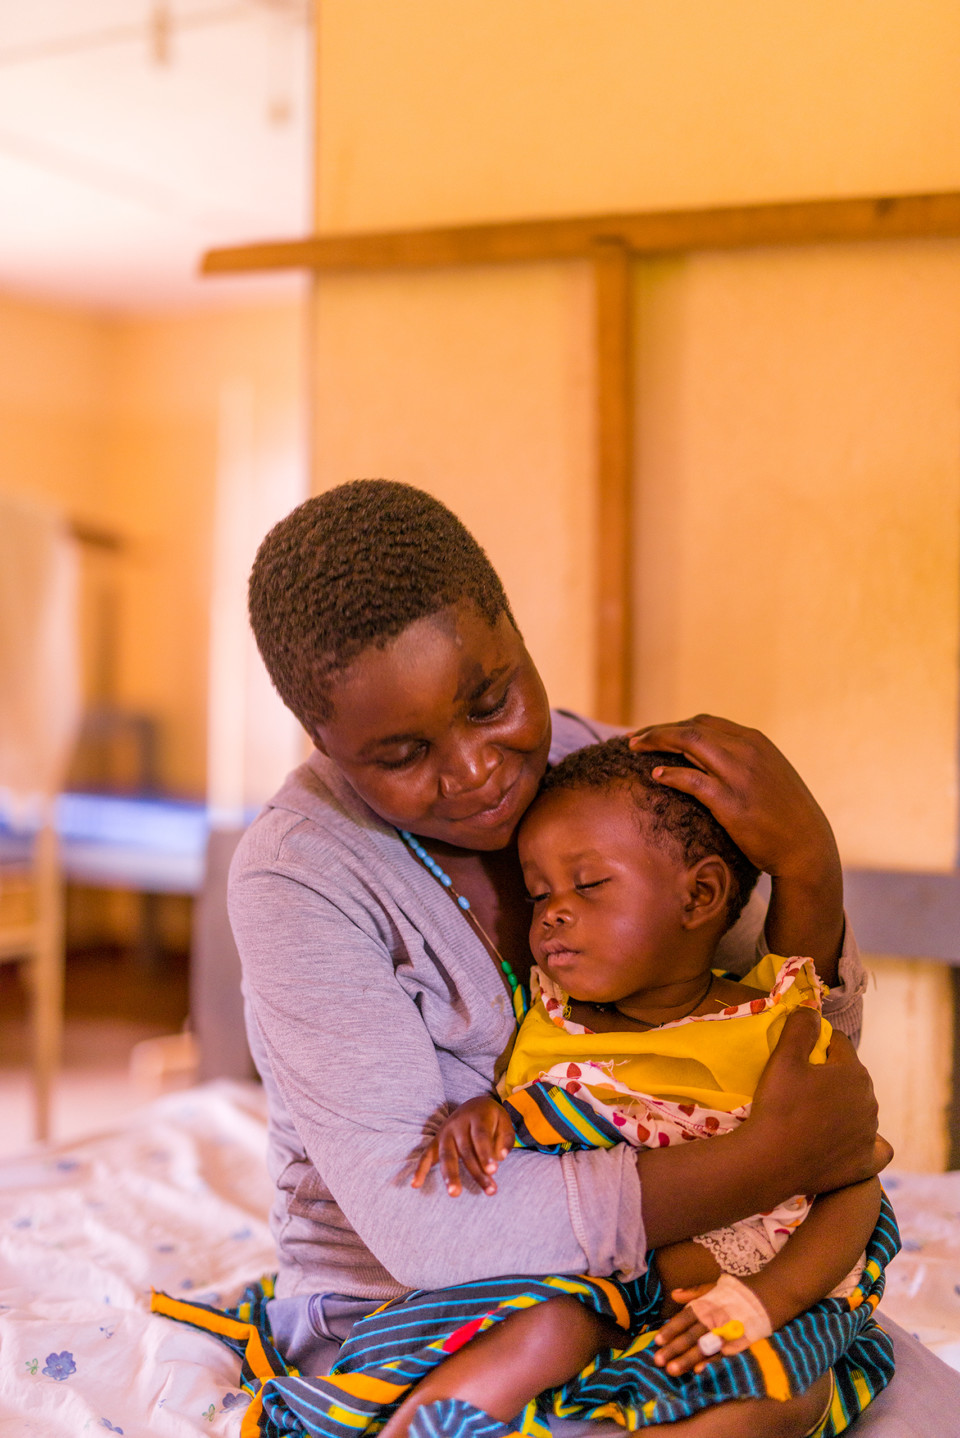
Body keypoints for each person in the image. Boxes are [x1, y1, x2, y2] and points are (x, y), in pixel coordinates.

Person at [152, 480, 957, 1436]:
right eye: (403, 754)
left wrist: (807, 864)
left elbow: (795, 1060)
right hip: (430, 1312)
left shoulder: (614, 783)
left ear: (517, 633)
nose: (477, 770)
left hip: (697, 1270)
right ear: (324, 747)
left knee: (880, 1401)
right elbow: (431, 1230)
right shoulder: (300, 877)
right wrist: (775, 1158)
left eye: (491, 700)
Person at [360, 737, 896, 1437]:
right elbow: (534, 1116)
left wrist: (766, 1301)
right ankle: (423, 1425)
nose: (551, 912)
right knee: (542, 1328)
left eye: (587, 885)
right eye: (539, 891)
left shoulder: (774, 1025)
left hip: (754, 1297)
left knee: (783, 1391)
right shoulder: (550, 1019)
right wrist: (482, 1113)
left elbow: (853, 1182)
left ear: (700, 894)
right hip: (602, 1298)